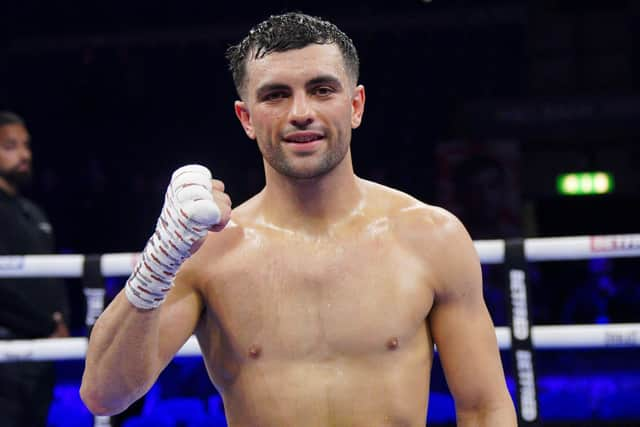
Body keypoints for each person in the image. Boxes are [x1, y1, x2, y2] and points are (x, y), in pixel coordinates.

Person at [81, 12, 516, 426]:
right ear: (246, 118)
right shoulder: (208, 250)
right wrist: (161, 257)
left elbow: (485, 409)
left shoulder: (431, 237)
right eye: (276, 95)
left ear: (356, 105)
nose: (300, 112)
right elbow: (105, 393)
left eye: (322, 89)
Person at [0, 111, 70, 427]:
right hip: (7, 349)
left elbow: (52, 277)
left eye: (25, 145)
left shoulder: (33, 212)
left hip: (43, 350)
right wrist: (45, 323)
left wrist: (61, 322)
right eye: (11, 146)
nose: (24, 154)